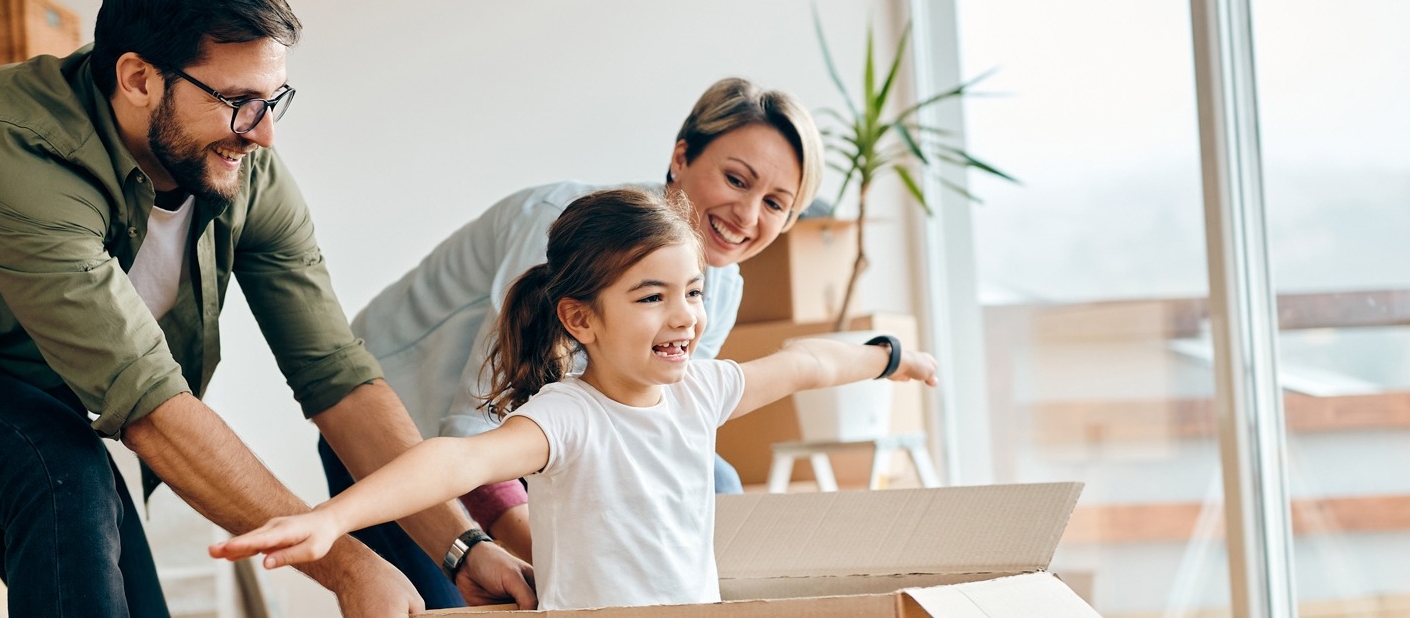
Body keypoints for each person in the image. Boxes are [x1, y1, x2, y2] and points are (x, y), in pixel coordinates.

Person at [0, 0, 531, 617]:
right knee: (57, 467)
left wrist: (463, 547)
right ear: (138, 78)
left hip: (32, 392)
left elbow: (337, 377)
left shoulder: (247, 171)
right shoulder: (14, 146)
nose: (265, 133)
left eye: (274, 100)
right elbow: (148, 407)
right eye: (238, 101)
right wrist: (343, 566)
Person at [211, 188, 939, 610]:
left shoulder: (702, 391)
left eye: (692, 292)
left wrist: (889, 358)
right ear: (581, 319)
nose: (684, 314)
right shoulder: (567, 417)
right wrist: (332, 519)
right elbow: (450, 463)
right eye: (652, 297)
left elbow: (804, 363)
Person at [331, 77, 825, 604]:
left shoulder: (721, 283)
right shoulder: (566, 230)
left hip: (513, 442)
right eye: (735, 179)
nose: (747, 216)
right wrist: (565, 566)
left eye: (776, 203)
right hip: (393, 417)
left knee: (717, 480)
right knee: (461, 600)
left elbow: (664, 428)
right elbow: (476, 424)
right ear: (681, 156)